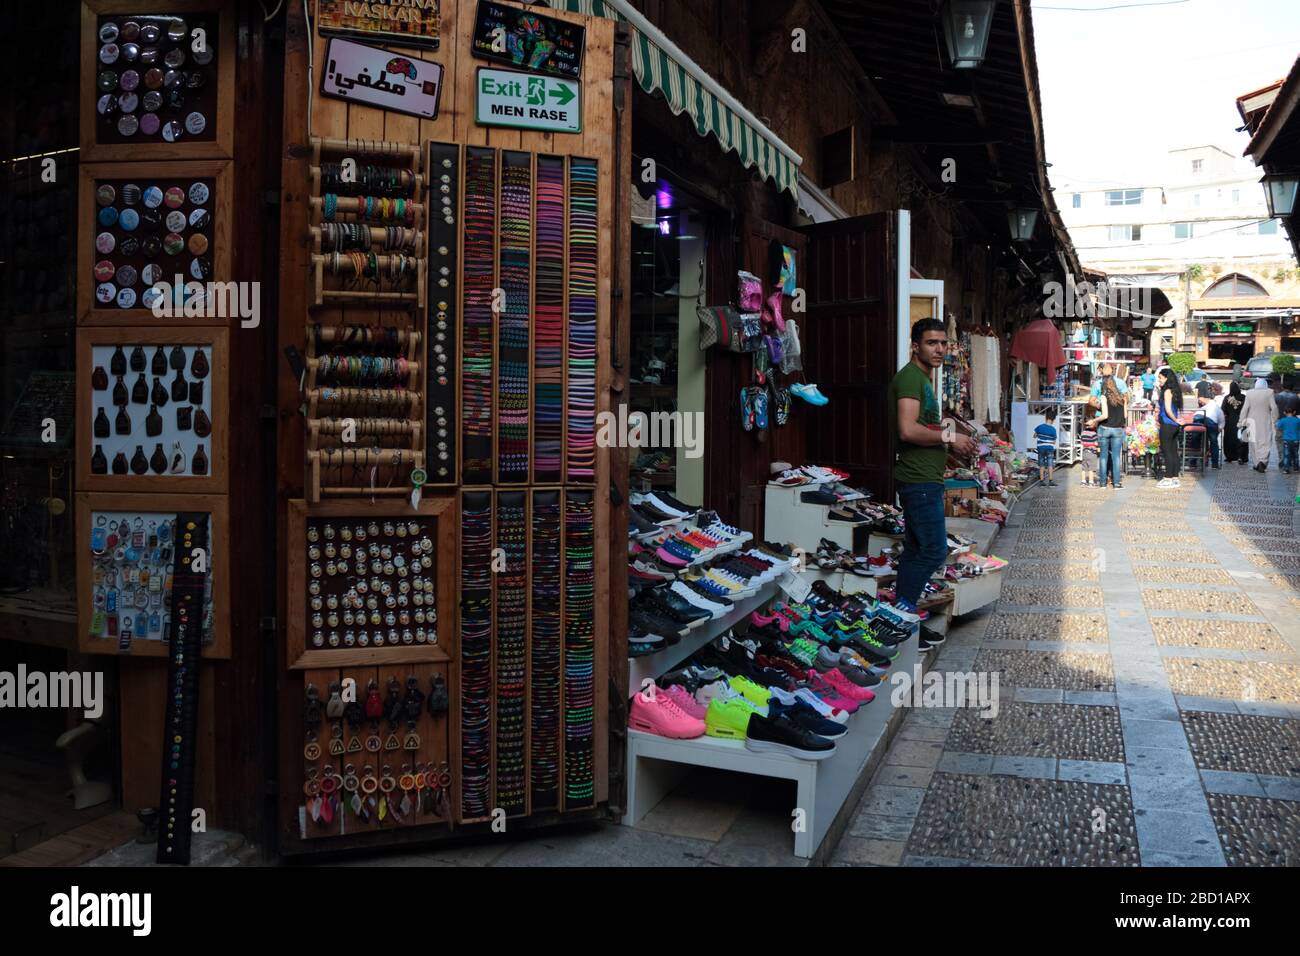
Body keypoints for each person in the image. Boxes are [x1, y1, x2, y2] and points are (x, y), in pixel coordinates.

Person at [889, 318, 976, 636]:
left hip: (926, 479)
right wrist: (950, 438)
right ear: (915, 346)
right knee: (934, 549)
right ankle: (901, 612)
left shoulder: (924, 380)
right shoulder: (911, 379)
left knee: (915, 550)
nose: (939, 349)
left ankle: (903, 618)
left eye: (943, 343)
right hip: (918, 481)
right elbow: (908, 430)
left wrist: (953, 443)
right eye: (931, 343)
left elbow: (925, 429)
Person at [1240, 377, 1279, 473]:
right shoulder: (1269, 392)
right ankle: (1263, 460)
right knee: (1265, 441)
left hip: (1251, 420)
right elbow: (1273, 407)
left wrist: (1241, 421)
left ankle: (1256, 463)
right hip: (1265, 420)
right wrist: (1275, 419)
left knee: (1253, 442)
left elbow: (1245, 409)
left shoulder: (1249, 393)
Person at [1096, 374, 1127, 489]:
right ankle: (1117, 483)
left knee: (1103, 457)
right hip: (1118, 429)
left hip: (1105, 428)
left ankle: (1103, 483)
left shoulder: (1104, 397)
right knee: (1116, 457)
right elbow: (1125, 415)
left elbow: (1105, 415)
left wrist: (1094, 420)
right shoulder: (1122, 397)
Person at [1156, 367, 1183, 488]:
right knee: (1173, 451)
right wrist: (1177, 420)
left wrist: (1175, 419)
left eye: (1160, 378)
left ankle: (1168, 477)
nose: (1159, 380)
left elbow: (1167, 410)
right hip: (1174, 426)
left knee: (1167, 451)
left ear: (1166, 378)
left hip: (1167, 424)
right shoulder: (1175, 390)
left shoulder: (1167, 391)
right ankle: (1175, 477)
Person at [1194, 383, 1223, 469]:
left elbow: (1196, 417)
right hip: (1211, 423)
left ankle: (1193, 461)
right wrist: (1220, 428)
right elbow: (1222, 420)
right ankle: (1214, 464)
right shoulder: (1216, 407)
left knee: (1198, 440)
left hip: (1199, 421)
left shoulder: (1201, 408)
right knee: (1214, 443)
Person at [1222, 381, 1247, 464]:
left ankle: (1230, 456)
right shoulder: (1243, 397)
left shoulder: (1227, 398)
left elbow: (1223, 410)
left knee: (1229, 439)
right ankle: (1242, 457)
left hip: (1229, 422)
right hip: (1242, 420)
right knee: (1241, 439)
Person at [1034, 407, 1059, 487]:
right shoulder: (1053, 429)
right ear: (1053, 420)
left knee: (1041, 465)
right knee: (1050, 464)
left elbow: (1034, 435)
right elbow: (1054, 441)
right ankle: (1050, 481)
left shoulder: (1039, 427)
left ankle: (1042, 482)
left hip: (1041, 448)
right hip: (1049, 449)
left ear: (1046, 418)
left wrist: (1038, 435)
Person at [1080, 398, 1101, 486]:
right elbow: (1096, 443)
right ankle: (1091, 482)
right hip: (1092, 453)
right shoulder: (1094, 434)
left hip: (1084, 452)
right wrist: (1098, 449)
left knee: (1084, 468)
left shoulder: (1083, 433)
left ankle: (1083, 481)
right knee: (1092, 469)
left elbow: (1082, 442)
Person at [1279, 408, 1300, 474]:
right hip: (1296, 440)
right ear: (1294, 412)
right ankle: (1296, 468)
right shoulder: (1297, 420)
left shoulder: (1283, 420)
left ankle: (1286, 469)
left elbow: (1278, 426)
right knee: (1296, 455)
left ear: (1284, 412)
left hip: (1287, 440)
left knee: (1286, 455)